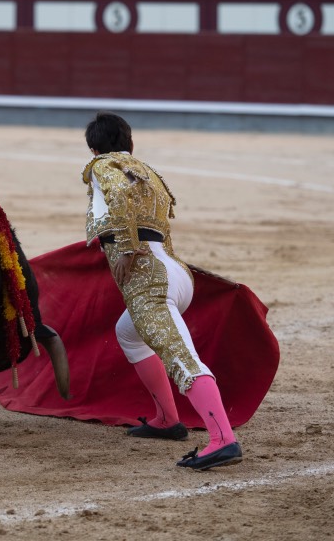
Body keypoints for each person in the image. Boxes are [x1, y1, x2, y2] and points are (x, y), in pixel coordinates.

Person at [81, 112, 242, 471]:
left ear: (94, 148)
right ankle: (168, 420)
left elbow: (118, 195)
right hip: (175, 274)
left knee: (182, 359)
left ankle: (223, 439)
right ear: (130, 143)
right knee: (128, 333)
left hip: (150, 282)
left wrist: (124, 248)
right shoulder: (147, 173)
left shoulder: (102, 166)